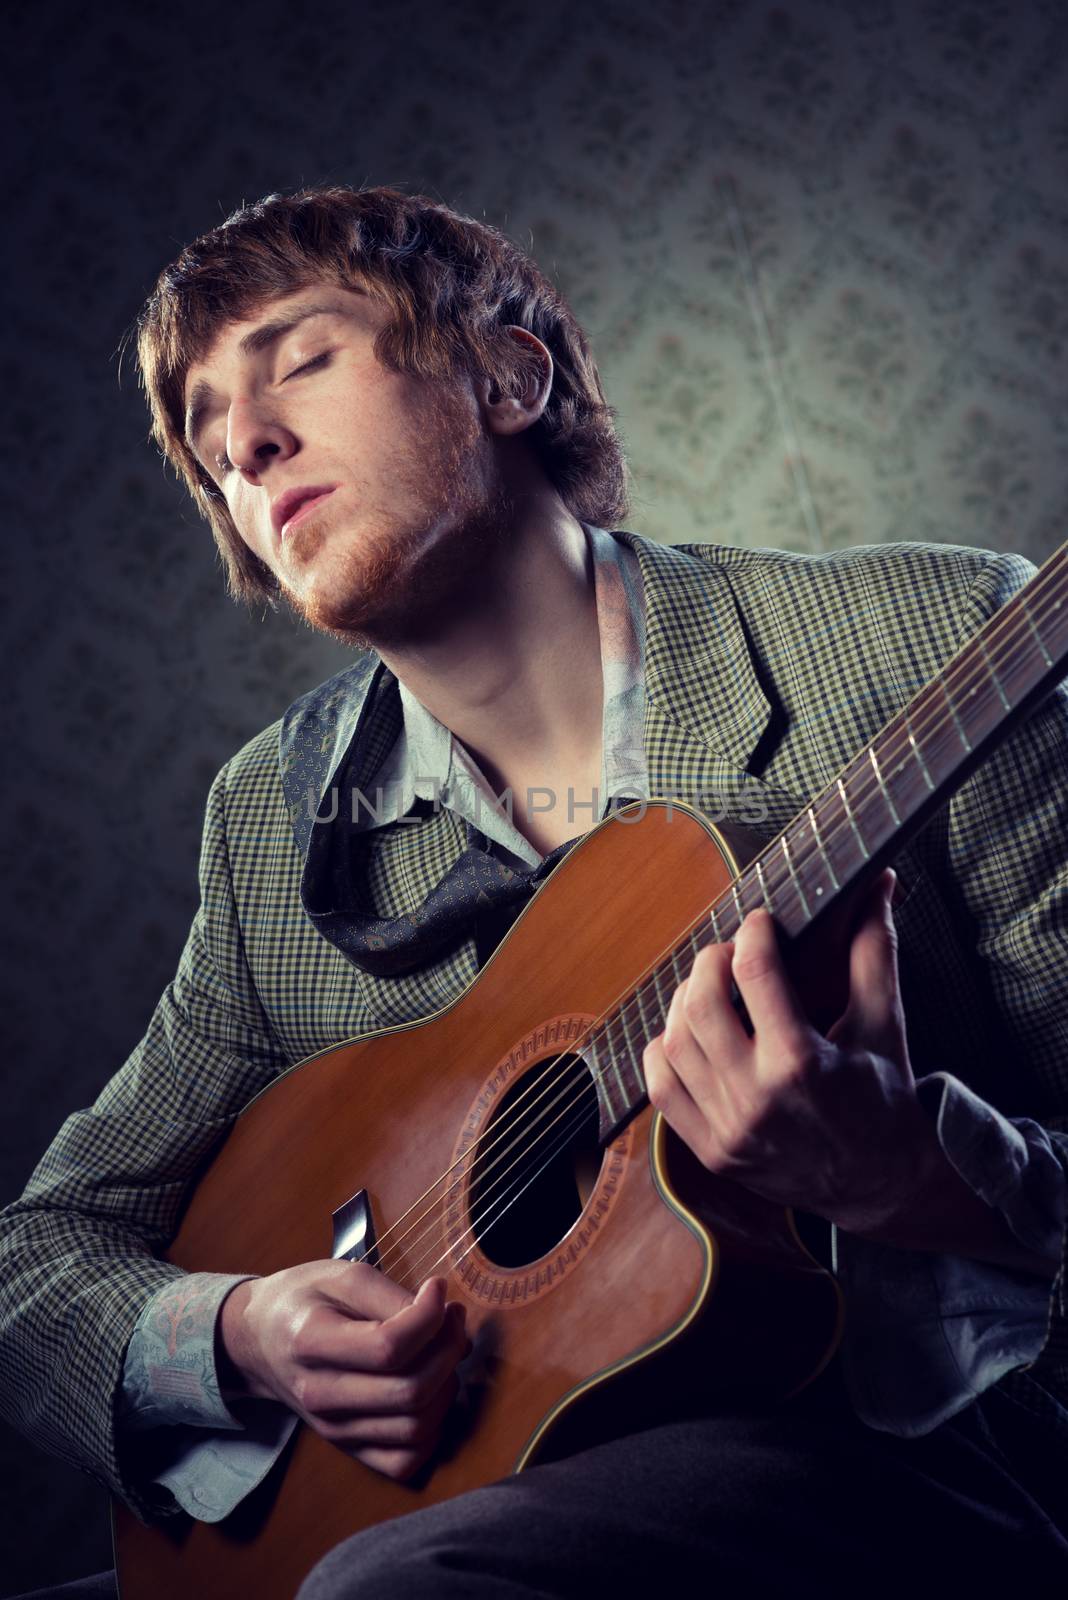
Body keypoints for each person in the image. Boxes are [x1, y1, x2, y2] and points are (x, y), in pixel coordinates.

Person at [1, 185, 1066, 1598]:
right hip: (474, 1491)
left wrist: (911, 1175)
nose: (244, 445)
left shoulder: (936, 641)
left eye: (300, 361)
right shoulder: (274, 817)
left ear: (508, 375)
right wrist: (242, 1329)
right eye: (209, 435)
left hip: (917, 1464)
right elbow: (37, 1258)